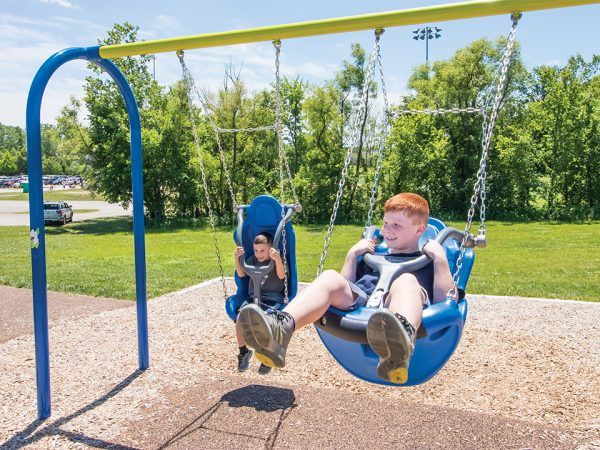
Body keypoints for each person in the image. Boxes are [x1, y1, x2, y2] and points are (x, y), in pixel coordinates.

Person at [237, 193, 455, 384]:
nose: (388, 230)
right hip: (363, 298)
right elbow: (345, 285)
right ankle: (280, 329)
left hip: (401, 306)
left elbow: (446, 300)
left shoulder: (426, 258)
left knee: (406, 280)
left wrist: (439, 257)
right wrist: (353, 255)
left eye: (396, 225)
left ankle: (400, 342)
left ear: (420, 230)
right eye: (386, 223)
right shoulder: (373, 254)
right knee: (330, 276)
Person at [234, 232, 286, 374]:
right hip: (253, 298)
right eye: (256, 250)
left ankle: (267, 355)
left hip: (272, 299)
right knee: (240, 319)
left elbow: (282, 276)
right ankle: (243, 351)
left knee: (265, 321)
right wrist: (237, 258)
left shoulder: (275, 260)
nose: (259, 254)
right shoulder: (252, 260)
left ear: (271, 249)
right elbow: (241, 274)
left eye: (262, 251)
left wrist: (277, 259)